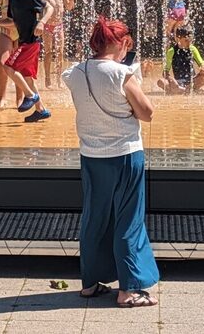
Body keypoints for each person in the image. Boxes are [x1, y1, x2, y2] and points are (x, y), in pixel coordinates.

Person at [62, 16, 159, 308]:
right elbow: (147, 112)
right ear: (118, 43)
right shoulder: (122, 74)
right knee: (129, 221)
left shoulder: (74, 73)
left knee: (95, 218)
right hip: (126, 155)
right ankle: (128, 290)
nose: (126, 49)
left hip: (91, 157)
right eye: (126, 43)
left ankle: (90, 283)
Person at [0, 0, 54, 122]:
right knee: (28, 78)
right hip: (25, 42)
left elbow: (49, 8)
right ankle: (41, 110)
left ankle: (30, 95)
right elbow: (12, 22)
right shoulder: (13, 1)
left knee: (8, 66)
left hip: (30, 43)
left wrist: (42, 22)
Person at [39, 0, 76, 89]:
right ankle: (47, 79)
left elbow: (69, 7)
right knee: (48, 52)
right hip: (47, 27)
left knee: (60, 53)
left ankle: (59, 79)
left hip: (59, 26)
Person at [157, 25, 204, 94]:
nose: (189, 42)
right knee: (160, 82)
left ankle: (181, 90)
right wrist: (171, 79)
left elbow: (202, 65)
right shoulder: (171, 51)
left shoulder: (193, 49)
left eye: (190, 40)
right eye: (186, 40)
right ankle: (187, 90)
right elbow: (165, 72)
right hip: (178, 82)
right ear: (178, 38)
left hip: (192, 81)